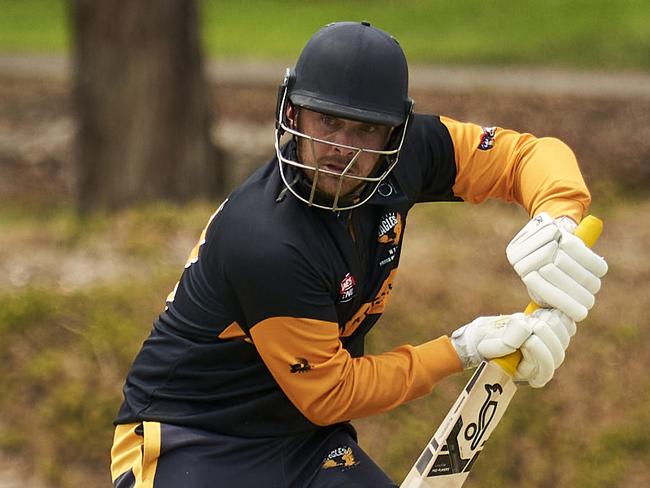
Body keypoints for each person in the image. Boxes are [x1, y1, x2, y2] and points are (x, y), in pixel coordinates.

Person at [110, 21, 608, 488]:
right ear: (293, 112)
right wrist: (462, 348)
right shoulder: (266, 241)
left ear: (395, 132)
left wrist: (557, 217)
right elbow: (332, 394)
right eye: (327, 121)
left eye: (365, 129)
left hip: (301, 439)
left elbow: (525, 155)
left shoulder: (411, 152)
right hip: (188, 441)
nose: (341, 149)